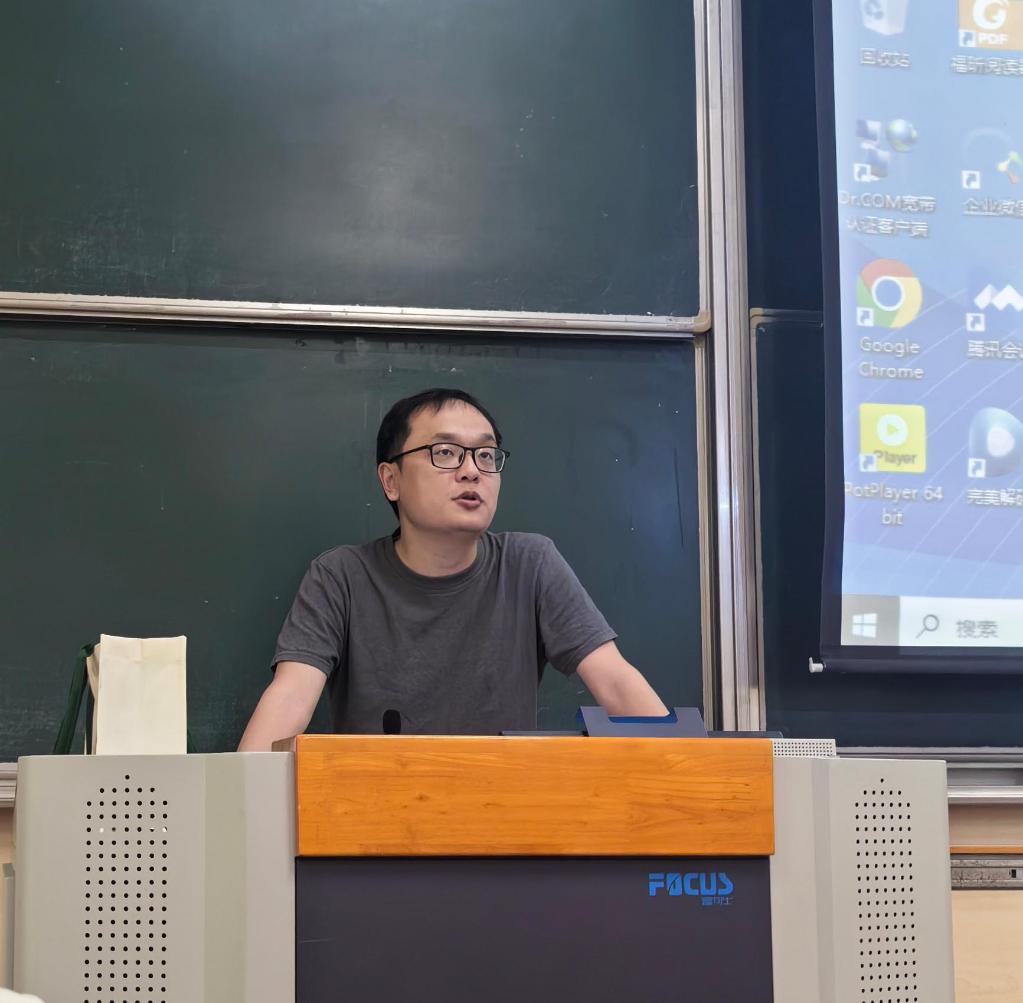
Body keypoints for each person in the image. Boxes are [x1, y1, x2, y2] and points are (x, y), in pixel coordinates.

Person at [238, 388, 667, 749]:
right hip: (375, 810)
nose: (471, 472)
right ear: (391, 480)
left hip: (505, 808)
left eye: (486, 455)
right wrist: (240, 805)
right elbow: (292, 697)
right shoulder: (341, 576)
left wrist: (689, 779)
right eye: (445, 452)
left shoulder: (529, 563)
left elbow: (615, 682)